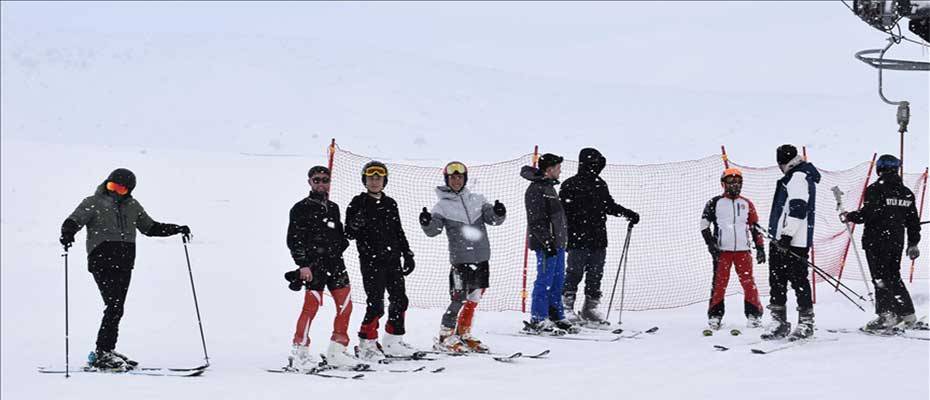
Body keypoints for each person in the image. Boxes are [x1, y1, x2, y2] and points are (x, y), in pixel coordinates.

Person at [59, 168, 190, 370]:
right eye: (112, 186)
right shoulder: (92, 202)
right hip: (101, 260)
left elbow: (150, 228)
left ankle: (107, 350)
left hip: (124, 262)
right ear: (106, 184)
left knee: (116, 308)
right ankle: (103, 352)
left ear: (128, 191)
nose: (114, 192)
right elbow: (74, 219)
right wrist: (68, 232)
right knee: (114, 306)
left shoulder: (133, 206)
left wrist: (176, 228)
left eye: (120, 189)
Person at [420, 161, 506, 352]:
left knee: (475, 297)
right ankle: (445, 335)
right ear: (447, 180)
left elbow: (493, 220)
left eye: (460, 177)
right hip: (461, 261)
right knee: (458, 298)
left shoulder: (478, 199)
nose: (456, 180)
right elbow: (433, 231)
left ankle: (464, 332)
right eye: (453, 177)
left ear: (465, 179)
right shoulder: (441, 206)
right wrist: (427, 223)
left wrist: (499, 213)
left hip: (481, 258)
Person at [559, 148, 639, 327]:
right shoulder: (569, 185)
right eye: (594, 163)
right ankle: (566, 306)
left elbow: (609, 206)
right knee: (574, 272)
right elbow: (561, 214)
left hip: (598, 238)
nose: (597, 167)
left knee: (596, 273)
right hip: (577, 239)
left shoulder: (600, 184)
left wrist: (627, 213)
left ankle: (590, 308)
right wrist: (564, 235)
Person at [345, 161, 416, 361]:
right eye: (371, 178)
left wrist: (407, 252)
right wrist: (355, 224)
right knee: (376, 304)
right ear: (365, 180)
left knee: (400, 300)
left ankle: (393, 340)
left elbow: (398, 231)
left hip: (392, 259)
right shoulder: (357, 202)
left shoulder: (390, 203)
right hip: (371, 261)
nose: (375, 181)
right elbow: (348, 234)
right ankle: (366, 343)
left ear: (385, 180)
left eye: (379, 178)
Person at [841, 154, 922, 331]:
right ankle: (907, 314)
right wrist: (913, 242)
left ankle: (887, 315)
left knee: (880, 278)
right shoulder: (906, 192)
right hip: (896, 242)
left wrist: (849, 216)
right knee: (893, 275)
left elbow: (868, 213)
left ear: (880, 169)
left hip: (876, 241)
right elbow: (913, 221)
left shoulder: (876, 189)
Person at [286, 166, 356, 368]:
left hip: (335, 265)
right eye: (316, 180)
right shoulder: (300, 208)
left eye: (325, 180)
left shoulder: (333, 207)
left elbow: (340, 237)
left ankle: (337, 350)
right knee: (310, 308)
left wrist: (346, 237)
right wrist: (303, 265)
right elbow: (294, 240)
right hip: (314, 266)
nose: (321, 183)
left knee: (346, 306)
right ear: (309, 182)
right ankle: (299, 351)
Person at [763, 144, 821, 340]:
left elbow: (799, 208)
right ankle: (779, 321)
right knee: (777, 281)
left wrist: (787, 236)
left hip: (792, 241)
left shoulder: (798, 177)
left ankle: (806, 323)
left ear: (782, 162)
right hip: (782, 240)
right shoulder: (794, 175)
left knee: (798, 281)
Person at [700, 168, 766, 331]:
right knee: (719, 284)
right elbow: (704, 225)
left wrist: (760, 248)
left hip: (743, 251)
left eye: (738, 182)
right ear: (723, 184)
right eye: (730, 181)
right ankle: (715, 316)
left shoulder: (746, 203)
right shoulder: (715, 203)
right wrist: (711, 244)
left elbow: (755, 227)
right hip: (723, 251)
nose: (735, 185)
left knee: (748, 283)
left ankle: (754, 315)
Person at [521, 153, 579, 335]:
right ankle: (538, 318)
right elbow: (536, 219)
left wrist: (561, 240)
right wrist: (546, 241)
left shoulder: (549, 188)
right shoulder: (536, 189)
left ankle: (556, 315)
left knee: (557, 280)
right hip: (546, 244)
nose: (560, 171)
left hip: (558, 243)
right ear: (549, 169)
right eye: (558, 168)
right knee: (545, 280)